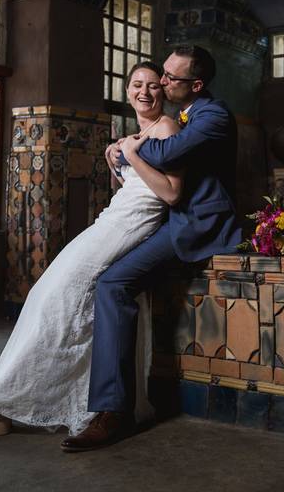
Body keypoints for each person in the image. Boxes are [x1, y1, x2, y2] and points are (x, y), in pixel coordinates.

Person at [0, 61, 182, 439]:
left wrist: (131, 157)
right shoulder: (140, 131)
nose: (144, 92)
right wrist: (115, 166)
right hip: (111, 222)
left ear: (163, 91)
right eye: (136, 84)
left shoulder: (167, 128)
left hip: (129, 229)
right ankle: (1, 406)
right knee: (46, 297)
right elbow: (135, 189)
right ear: (127, 90)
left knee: (57, 297)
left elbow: (169, 193)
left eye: (152, 85)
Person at [61, 44, 241, 452]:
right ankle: (111, 404)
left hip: (198, 227)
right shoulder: (183, 114)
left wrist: (129, 145)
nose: (161, 82)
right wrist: (128, 147)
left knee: (113, 285)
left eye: (170, 78)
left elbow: (166, 152)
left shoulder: (213, 115)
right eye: (161, 73)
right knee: (103, 279)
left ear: (196, 85)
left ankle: (113, 413)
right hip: (171, 222)